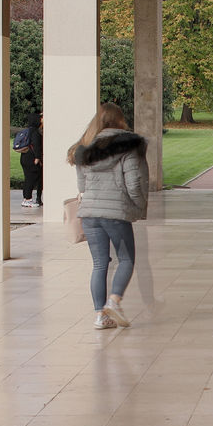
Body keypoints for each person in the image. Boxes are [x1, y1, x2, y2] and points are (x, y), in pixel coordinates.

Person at [68, 103, 149, 330]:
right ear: (120, 120)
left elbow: (82, 186)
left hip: (89, 214)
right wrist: (139, 206)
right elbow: (134, 183)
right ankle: (114, 301)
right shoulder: (128, 146)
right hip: (115, 213)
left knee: (99, 264)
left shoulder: (84, 148)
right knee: (126, 259)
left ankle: (100, 316)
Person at [15, 113, 44, 207]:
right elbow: (36, 146)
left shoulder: (27, 130)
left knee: (27, 179)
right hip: (32, 158)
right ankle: (28, 200)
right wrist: (37, 158)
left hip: (24, 157)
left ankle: (25, 199)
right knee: (31, 179)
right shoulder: (35, 132)